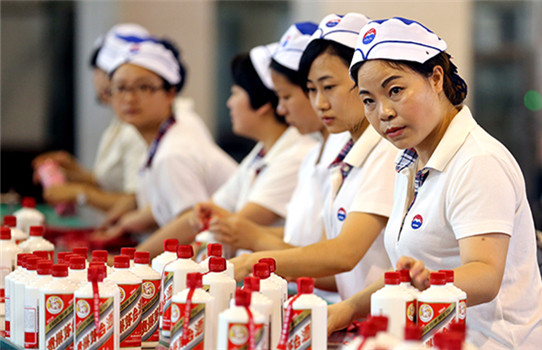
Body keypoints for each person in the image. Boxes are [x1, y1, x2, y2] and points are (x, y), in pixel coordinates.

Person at [327, 17, 542, 349]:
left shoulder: (477, 161)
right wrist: (345, 311)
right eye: (369, 100)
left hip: (492, 342)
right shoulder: (410, 163)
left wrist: (427, 281)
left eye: (395, 90)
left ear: (436, 77)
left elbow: (486, 275)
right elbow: (405, 280)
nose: (383, 112)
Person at [230, 13, 397, 301]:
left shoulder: (387, 151)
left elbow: (343, 255)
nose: (319, 103)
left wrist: (252, 259)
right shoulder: (346, 157)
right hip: (356, 314)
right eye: (311, 90)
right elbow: (333, 265)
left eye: (328, 87)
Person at [135, 42, 317, 258]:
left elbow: (232, 229)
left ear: (261, 103)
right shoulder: (262, 152)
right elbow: (204, 214)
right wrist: (137, 258)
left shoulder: (296, 155)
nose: (229, 103)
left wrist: (149, 263)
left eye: (236, 93)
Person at [206, 22, 350, 253]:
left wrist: (253, 240)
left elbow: (339, 258)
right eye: (314, 90)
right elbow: (301, 237)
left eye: (285, 97)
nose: (280, 109)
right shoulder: (315, 153)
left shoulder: (307, 152)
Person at [96, 38, 237, 241]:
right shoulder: (162, 139)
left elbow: (191, 224)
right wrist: (129, 221)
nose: (129, 98)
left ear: (170, 93)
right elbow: (171, 204)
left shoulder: (173, 152)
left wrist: (135, 258)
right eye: (120, 88)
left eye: (143, 87)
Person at [32, 24, 148, 213]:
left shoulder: (140, 126)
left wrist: (80, 192)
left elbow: (138, 201)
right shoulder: (123, 121)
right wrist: (72, 173)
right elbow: (113, 182)